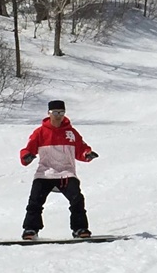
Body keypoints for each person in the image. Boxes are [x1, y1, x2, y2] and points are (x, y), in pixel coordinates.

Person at [18, 100, 98, 240]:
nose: (58, 116)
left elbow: (81, 149)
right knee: (35, 201)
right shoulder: (40, 132)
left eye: (61, 112)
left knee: (77, 199)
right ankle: (31, 229)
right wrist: (26, 156)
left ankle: (80, 228)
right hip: (45, 173)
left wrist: (87, 154)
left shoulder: (71, 133)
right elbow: (28, 149)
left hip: (66, 173)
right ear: (48, 113)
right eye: (55, 112)